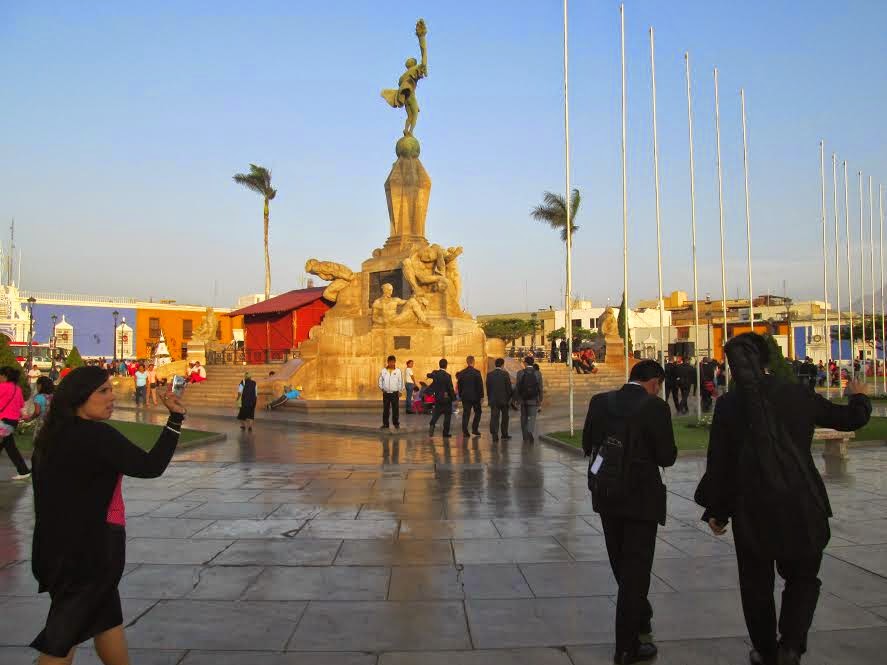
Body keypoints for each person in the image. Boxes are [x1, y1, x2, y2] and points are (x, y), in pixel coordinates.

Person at [695, 333, 871, 665]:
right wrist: (859, 397)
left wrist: (718, 510)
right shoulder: (796, 393)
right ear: (767, 358)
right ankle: (790, 645)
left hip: (752, 508)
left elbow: (721, 462)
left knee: (756, 584)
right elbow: (849, 419)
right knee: (802, 578)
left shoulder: (730, 404)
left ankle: (765, 651)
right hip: (800, 501)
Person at [29, 365, 186, 664]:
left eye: (111, 389)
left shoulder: (50, 437)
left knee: (107, 621)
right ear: (79, 397)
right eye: (103, 391)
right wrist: (175, 419)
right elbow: (150, 466)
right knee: (61, 640)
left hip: (54, 550)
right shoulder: (96, 436)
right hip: (90, 553)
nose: (112, 397)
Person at [582, 359, 677, 665]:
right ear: (655, 382)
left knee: (621, 564)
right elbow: (667, 456)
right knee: (636, 570)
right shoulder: (655, 407)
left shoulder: (600, 402)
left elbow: (587, 444)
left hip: (607, 494)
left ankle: (640, 616)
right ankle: (626, 646)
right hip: (641, 499)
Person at [0, 366, 29, 480]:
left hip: (3, 421)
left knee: (10, 447)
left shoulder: (2, 387)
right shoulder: (18, 389)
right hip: (13, 421)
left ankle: (23, 470)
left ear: (5, 376)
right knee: (9, 446)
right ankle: (23, 470)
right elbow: (21, 405)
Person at [514, 355, 543, 443]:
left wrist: (516, 399)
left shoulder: (520, 373)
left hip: (523, 399)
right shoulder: (538, 373)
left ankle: (525, 436)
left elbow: (517, 387)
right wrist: (540, 400)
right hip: (533, 399)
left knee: (523, 417)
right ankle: (530, 431)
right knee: (532, 417)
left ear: (525, 363)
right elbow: (540, 388)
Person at [427, 359, 456, 437]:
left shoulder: (436, 374)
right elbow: (450, 388)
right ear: (446, 366)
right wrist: (454, 398)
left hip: (438, 397)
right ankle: (445, 433)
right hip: (446, 398)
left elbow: (429, 375)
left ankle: (432, 424)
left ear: (439, 365)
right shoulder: (447, 376)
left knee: (436, 413)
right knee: (447, 416)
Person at [486, 357, 513, 441]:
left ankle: (494, 434)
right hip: (504, 400)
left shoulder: (489, 374)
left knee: (494, 417)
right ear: (502, 365)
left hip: (493, 399)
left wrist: (490, 398)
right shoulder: (505, 374)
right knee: (505, 417)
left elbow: (488, 388)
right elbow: (508, 388)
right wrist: (509, 398)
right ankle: (504, 434)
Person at [456, 355, 483, 436]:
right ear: (473, 362)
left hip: (465, 396)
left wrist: (460, 394)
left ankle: (465, 431)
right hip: (475, 397)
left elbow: (459, 385)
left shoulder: (462, 373)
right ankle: (475, 429)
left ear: (467, 362)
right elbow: (480, 385)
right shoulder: (477, 372)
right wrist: (482, 396)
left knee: (466, 413)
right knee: (478, 412)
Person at [24, 376, 55, 441]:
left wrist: (30, 418)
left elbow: (37, 412)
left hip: (42, 423)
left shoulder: (38, 397)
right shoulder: (53, 396)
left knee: (39, 441)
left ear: (40, 385)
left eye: (37, 385)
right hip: (52, 422)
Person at [378, 355, 404, 430]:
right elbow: (380, 380)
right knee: (386, 409)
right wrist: (382, 388)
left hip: (394, 393)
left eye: (393, 362)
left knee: (395, 409)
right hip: (386, 393)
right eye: (390, 362)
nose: (391, 363)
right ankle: (385, 424)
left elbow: (401, 381)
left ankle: (396, 423)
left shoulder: (398, 371)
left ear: (395, 362)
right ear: (388, 362)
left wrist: (400, 391)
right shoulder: (383, 371)